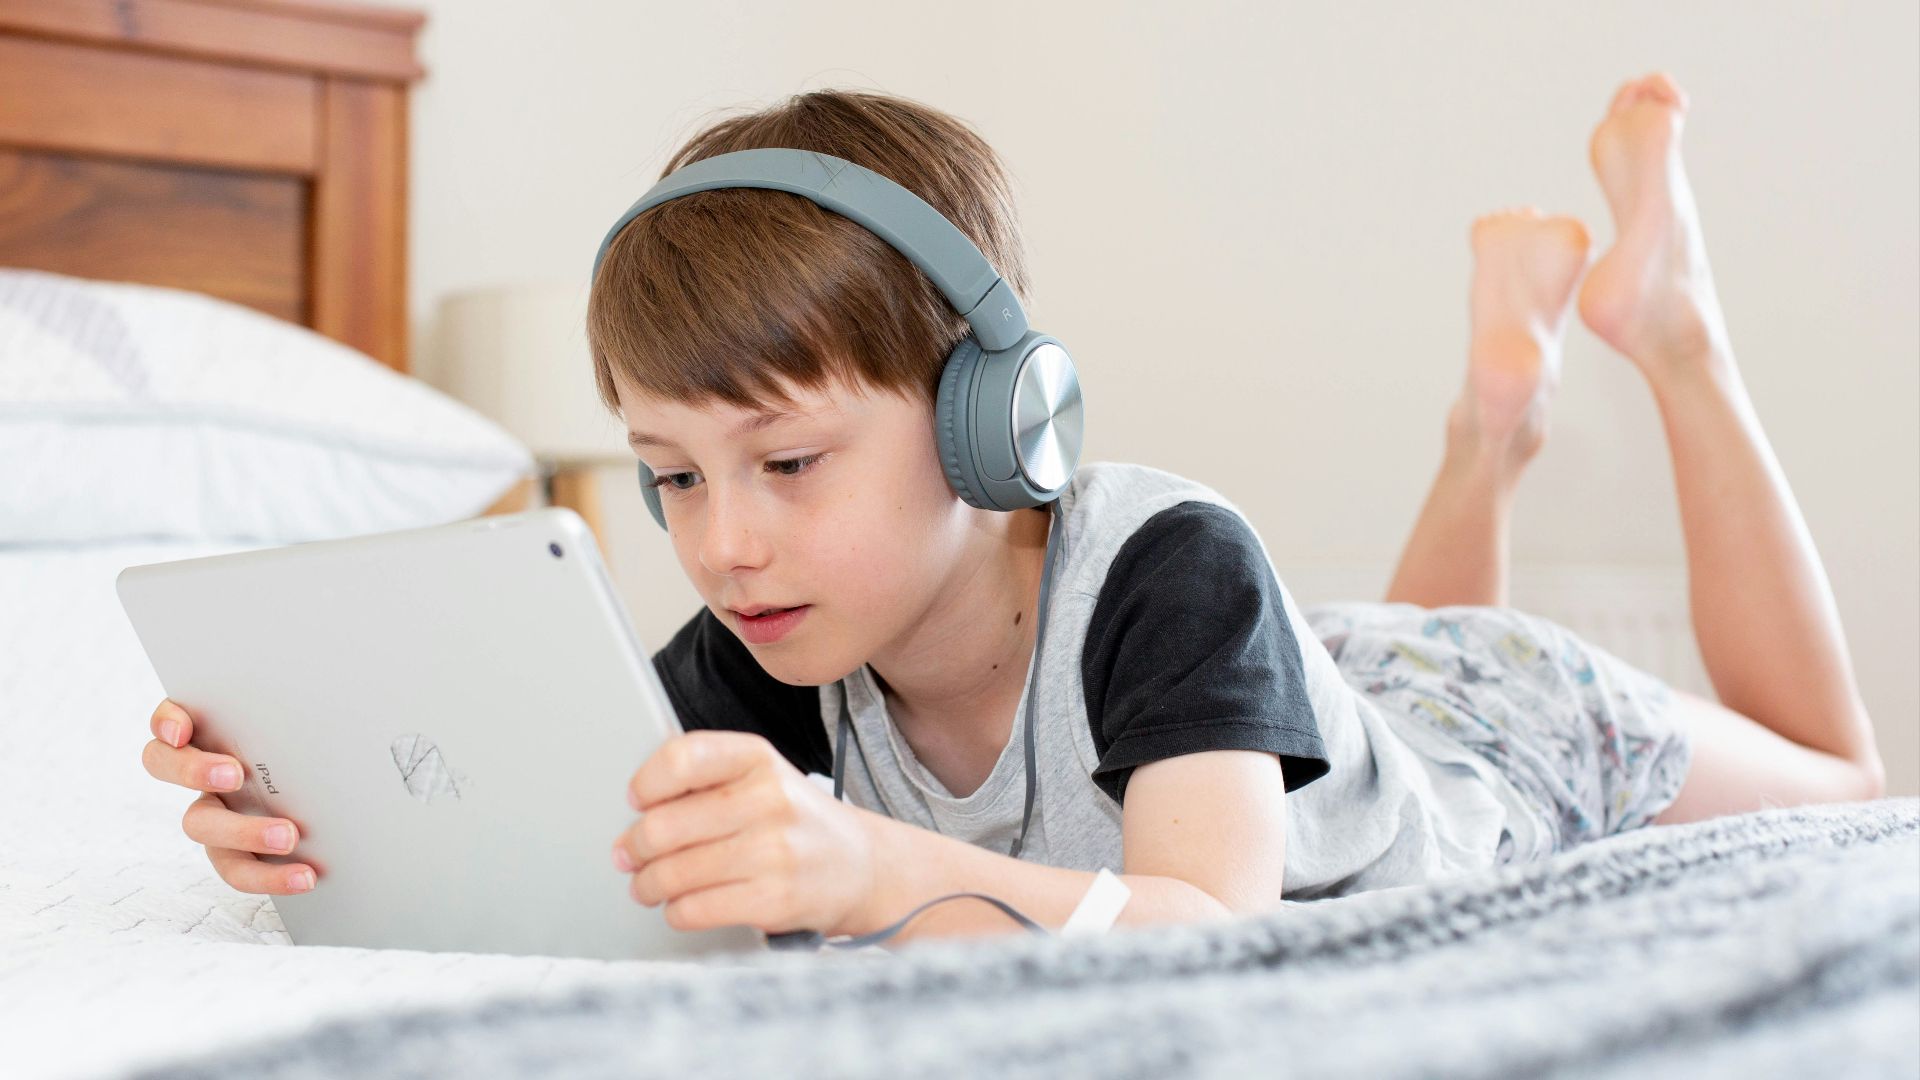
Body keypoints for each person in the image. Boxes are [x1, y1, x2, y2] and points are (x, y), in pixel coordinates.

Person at [140, 73, 1885, 947]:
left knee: (1846, 778)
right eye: (672, 476)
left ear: (997, 424)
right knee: (1374, 670)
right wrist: (310, 836)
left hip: (1493, 741)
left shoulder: (1175, 562)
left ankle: (1672, 334)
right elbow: (580, 872)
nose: (722, 540)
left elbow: (1202, 929)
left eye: (789, 463)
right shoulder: (761, 638)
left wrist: (882, 866)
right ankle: (1494, 420)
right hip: (1321, 702)